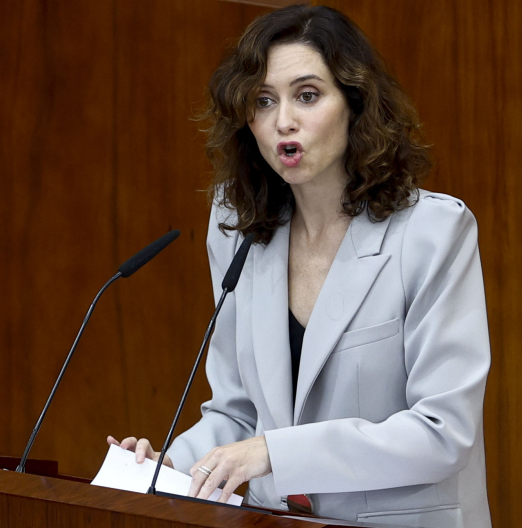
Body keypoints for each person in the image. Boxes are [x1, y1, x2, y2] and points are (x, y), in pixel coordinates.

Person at [108, 5, 492, 528]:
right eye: (263, 101)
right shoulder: (240, 229)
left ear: (354, 104)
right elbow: (238, 411)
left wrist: (274, 453)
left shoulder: (432, 234)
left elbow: (443, 432)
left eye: (307, 96)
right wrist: (170, 465)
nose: (283, 120)